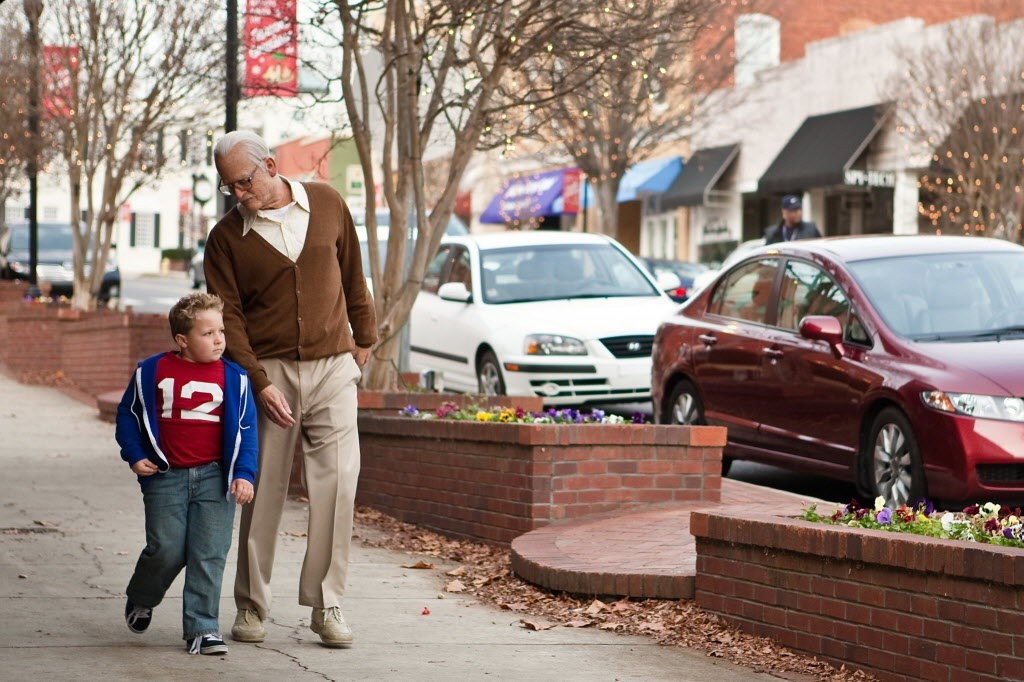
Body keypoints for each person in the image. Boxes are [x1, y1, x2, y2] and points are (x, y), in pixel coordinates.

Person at [204, 130, 378, 648]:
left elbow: (354, 276)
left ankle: (327, 605)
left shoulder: (326, 203)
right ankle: (252, 606)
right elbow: (227, 319)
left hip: (332, 368)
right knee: (260, 491)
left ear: (272, 166)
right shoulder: (226, 238)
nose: (238, 193)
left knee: (338, 485)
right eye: (228, 186)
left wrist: (363, 339)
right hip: (270, 374)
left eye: (243, 181)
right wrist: (257, 382)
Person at [115, 292, 258, 655]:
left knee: (209, 552)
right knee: (166, 548)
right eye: (208, 333)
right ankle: (143, 596)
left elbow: (246, 431)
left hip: (216, 477)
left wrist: (244, 474)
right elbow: (128, 416)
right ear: (182, 340)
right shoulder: (152, 371)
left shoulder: (235, 378)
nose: (219, 339)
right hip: (165, 476)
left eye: (221, 331)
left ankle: (202, 628)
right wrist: (134, 455)